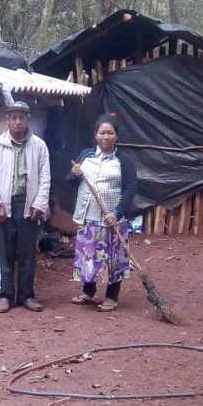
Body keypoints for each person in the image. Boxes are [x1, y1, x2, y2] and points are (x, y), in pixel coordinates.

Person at [0, 101, 51, 313]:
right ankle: (5, 296)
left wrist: (39, 204)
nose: (18, 121)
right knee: (5, 254)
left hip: (28, 206)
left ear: (28, 120)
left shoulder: (38, 145)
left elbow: (45, 178)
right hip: (5, 205)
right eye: (14, 117)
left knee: (27, 254)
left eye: (22, 117)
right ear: (8, 120)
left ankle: (27, 296)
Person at [67, 114, 138, 312]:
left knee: (113, 258)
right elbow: (69, 181)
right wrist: (75, 174)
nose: (105, 137)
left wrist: (117, 212)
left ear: (116, 136)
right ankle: (89, 292)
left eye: (110, 133)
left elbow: (131, 188)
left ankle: (112, 297)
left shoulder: (123, 160)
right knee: (87, 255)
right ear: (95, 135)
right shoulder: (86, 156)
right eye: (102, 133)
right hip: (88, 217)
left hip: (112, 218)